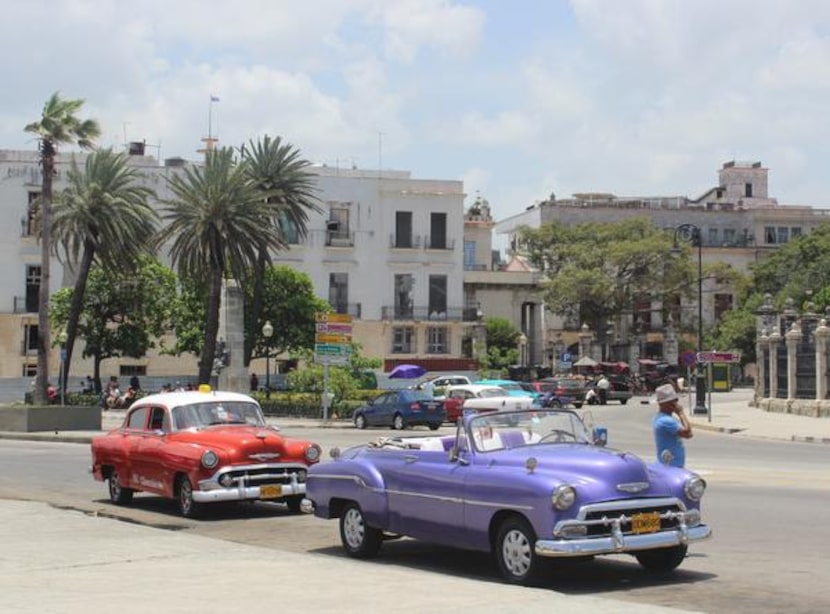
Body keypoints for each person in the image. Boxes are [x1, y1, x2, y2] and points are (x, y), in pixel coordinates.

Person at [653, 383, 693, 468]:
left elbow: (689, 434)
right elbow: (687, 431)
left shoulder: (662, 418)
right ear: (663, 404)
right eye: (672, 402)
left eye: (676, 400)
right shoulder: (665, 421)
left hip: (673, 464)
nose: (675, 404)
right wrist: (681, 413)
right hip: (671, 465)